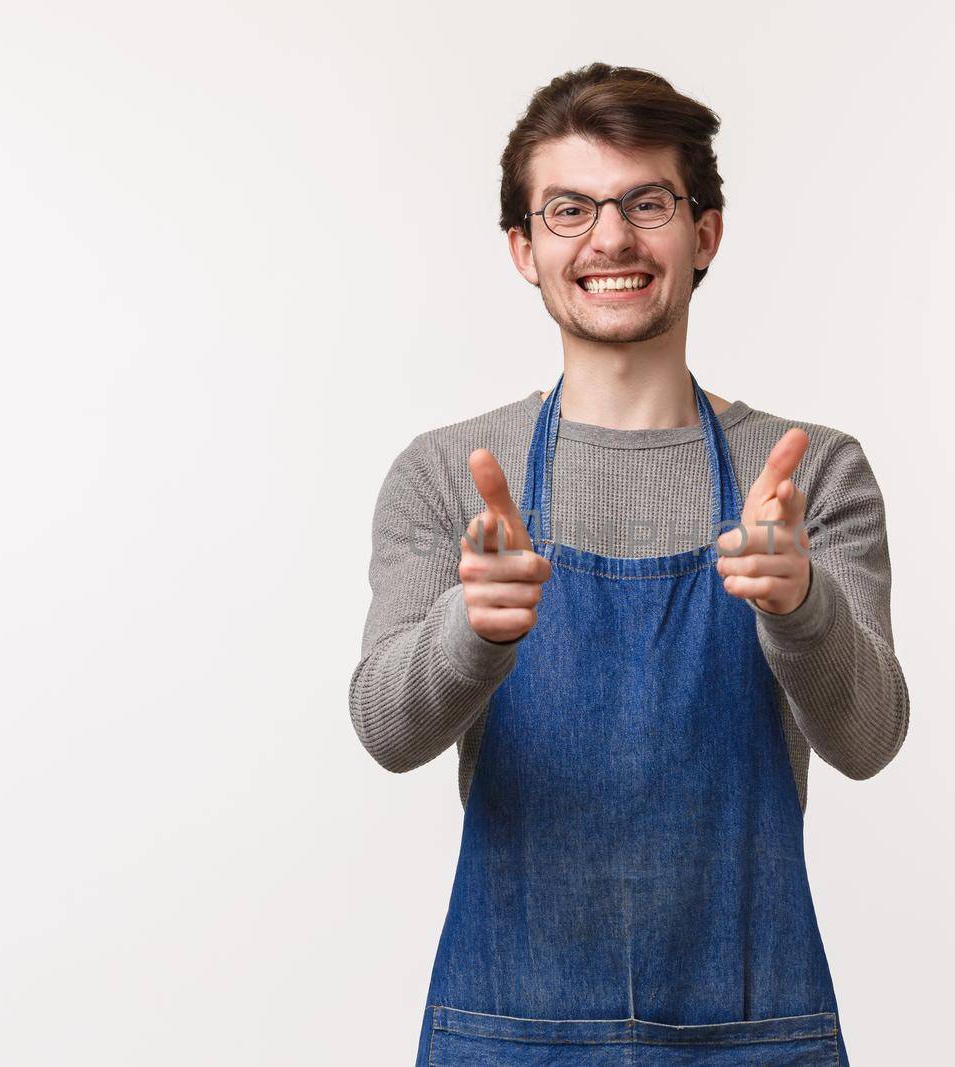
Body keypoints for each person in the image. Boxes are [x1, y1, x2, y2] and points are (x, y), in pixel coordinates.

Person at [349, 62, 910, 1066]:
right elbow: (386, 729)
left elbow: (868, 737)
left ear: (703, 233)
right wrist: (470, 629)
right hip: (509, 1035)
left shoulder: (810, 474)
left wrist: (801, 603)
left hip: (753, 1033)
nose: (609, 238)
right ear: (523, 249)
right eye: (569, 210)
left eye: (644, 202)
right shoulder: (446, 475)